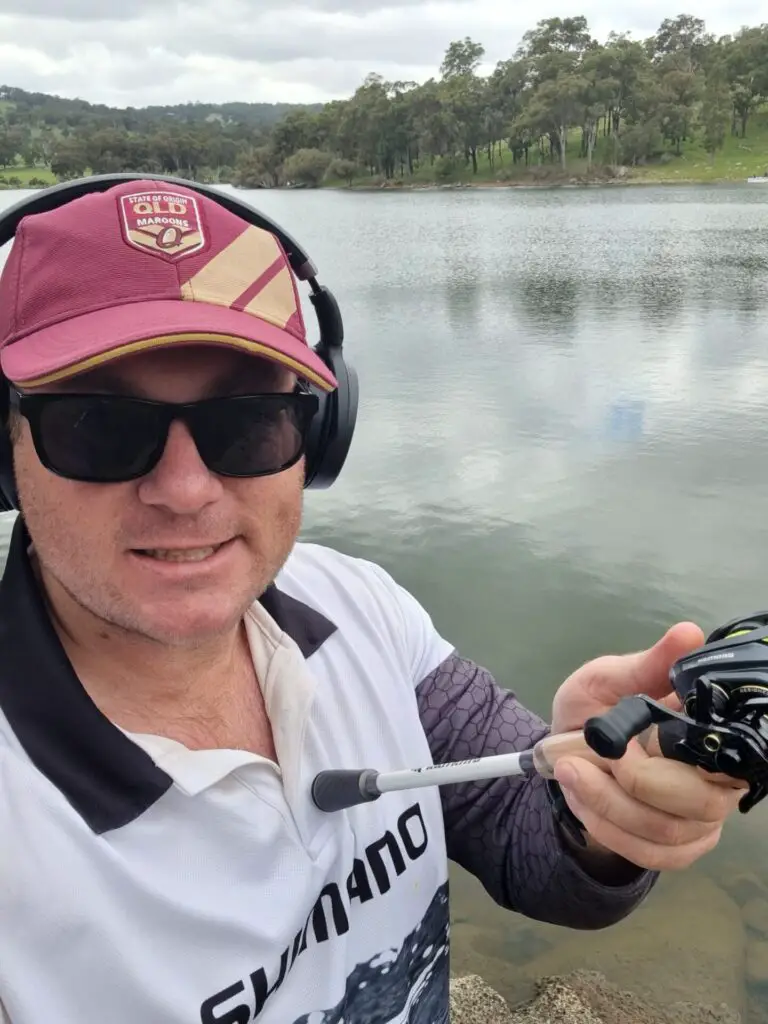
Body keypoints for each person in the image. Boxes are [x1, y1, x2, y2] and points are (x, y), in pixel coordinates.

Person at [0, 179, 742, 1024]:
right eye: (97, 425)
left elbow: (526, 840)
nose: (184, 489)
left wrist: (598, 808)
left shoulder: (358, 606)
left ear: (316, 437)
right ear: (5, 447)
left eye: (250, 422)